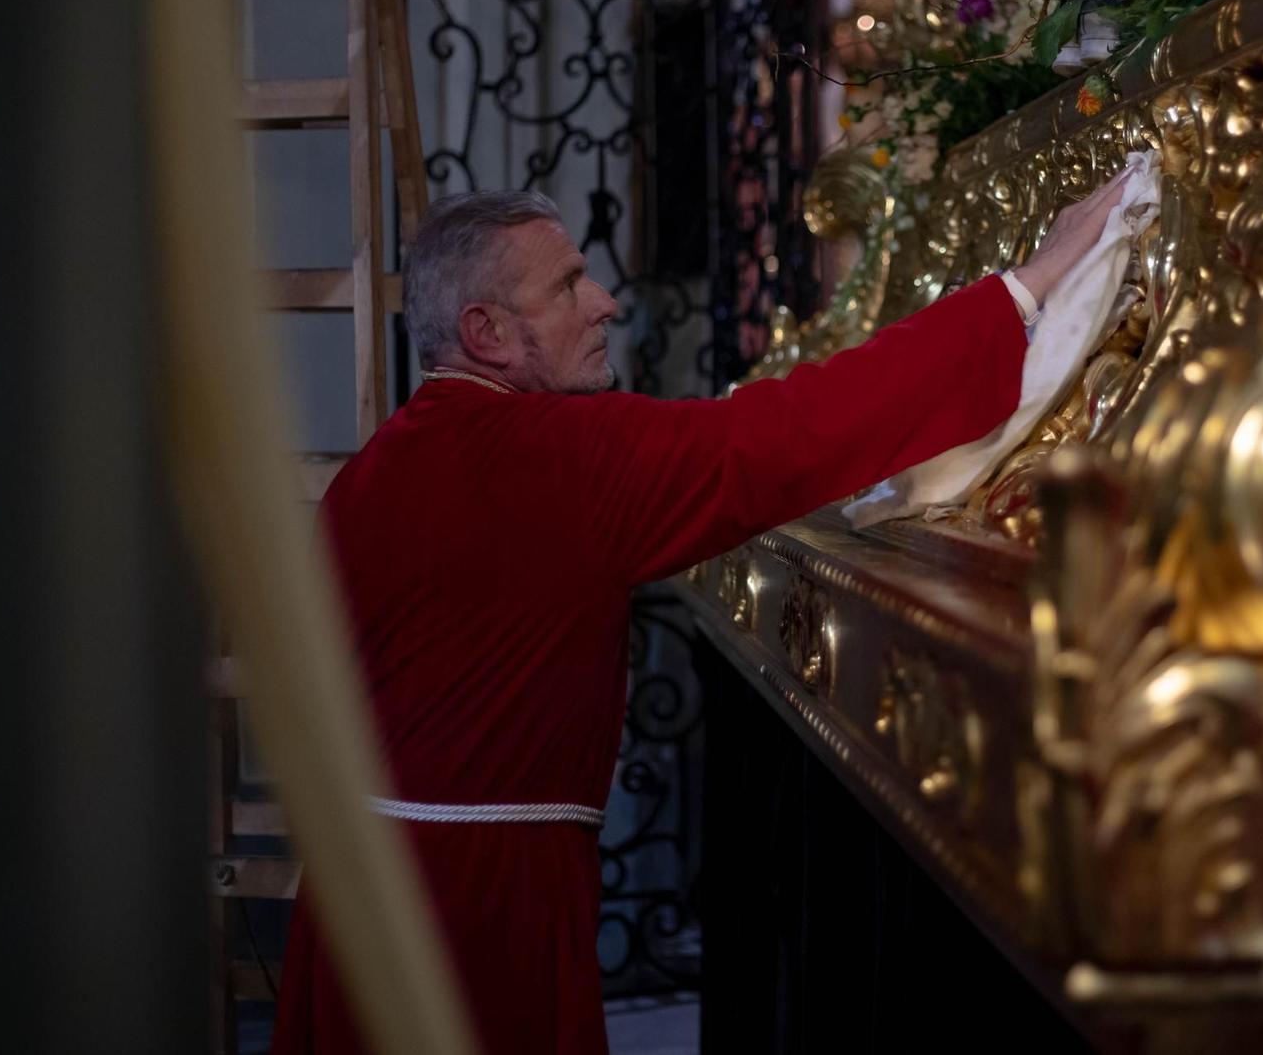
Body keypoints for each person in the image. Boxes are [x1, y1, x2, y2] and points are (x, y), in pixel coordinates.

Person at [271, 176, 1129, 1054]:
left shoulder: (367, 475)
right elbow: (784, 435)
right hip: (475, 917)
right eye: (568, 285)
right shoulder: (556, 457)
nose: (604, 302)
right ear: (487, 333)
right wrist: (1025, 287)